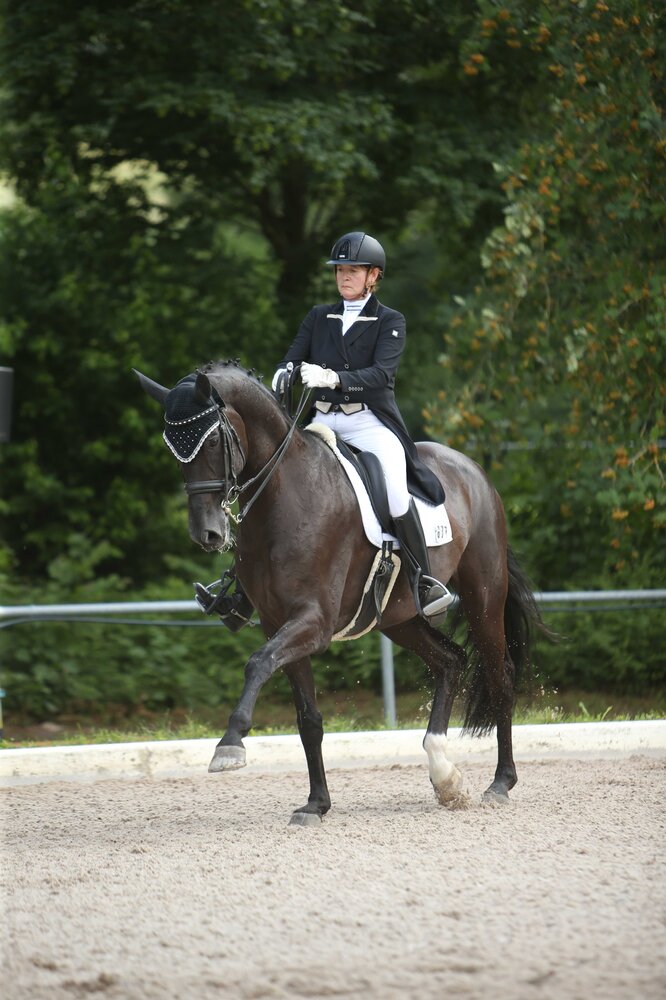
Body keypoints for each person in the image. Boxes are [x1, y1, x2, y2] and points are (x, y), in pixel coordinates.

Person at [272, 231, 453, 621]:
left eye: (353, 270)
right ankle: (241, 585)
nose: (344, 277)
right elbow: (292, 356)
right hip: (321, 421)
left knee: (395, 492)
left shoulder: (390, 321)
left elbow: (381, 375)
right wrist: (283, 372)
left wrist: (334, 378)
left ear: (373, 276)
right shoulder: (319, 317)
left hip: (368, 422)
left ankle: (423, 581)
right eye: (340, 270)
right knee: (275, 479)